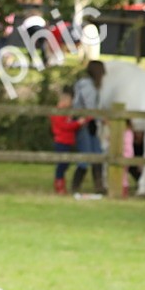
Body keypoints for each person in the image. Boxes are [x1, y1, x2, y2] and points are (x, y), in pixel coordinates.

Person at [71, 60, 107, 194]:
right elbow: (90, 107)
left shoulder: (92, 86)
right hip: (84, 124)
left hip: (91, 124)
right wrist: (102, 118)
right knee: (86, 155)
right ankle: (75, 186)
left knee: (97, 153)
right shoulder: (88, 86)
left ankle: (99, 185)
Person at [50, 85, 86, 195]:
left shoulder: (66, 113)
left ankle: (61, 184)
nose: (71, 104)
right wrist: (77, 123)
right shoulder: (58, 113)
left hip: (67, 141)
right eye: (70, 101)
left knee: (65, 164)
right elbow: (65, 126)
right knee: (61, 164)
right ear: (64, 101)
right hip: (61, 141)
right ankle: (59, 185)